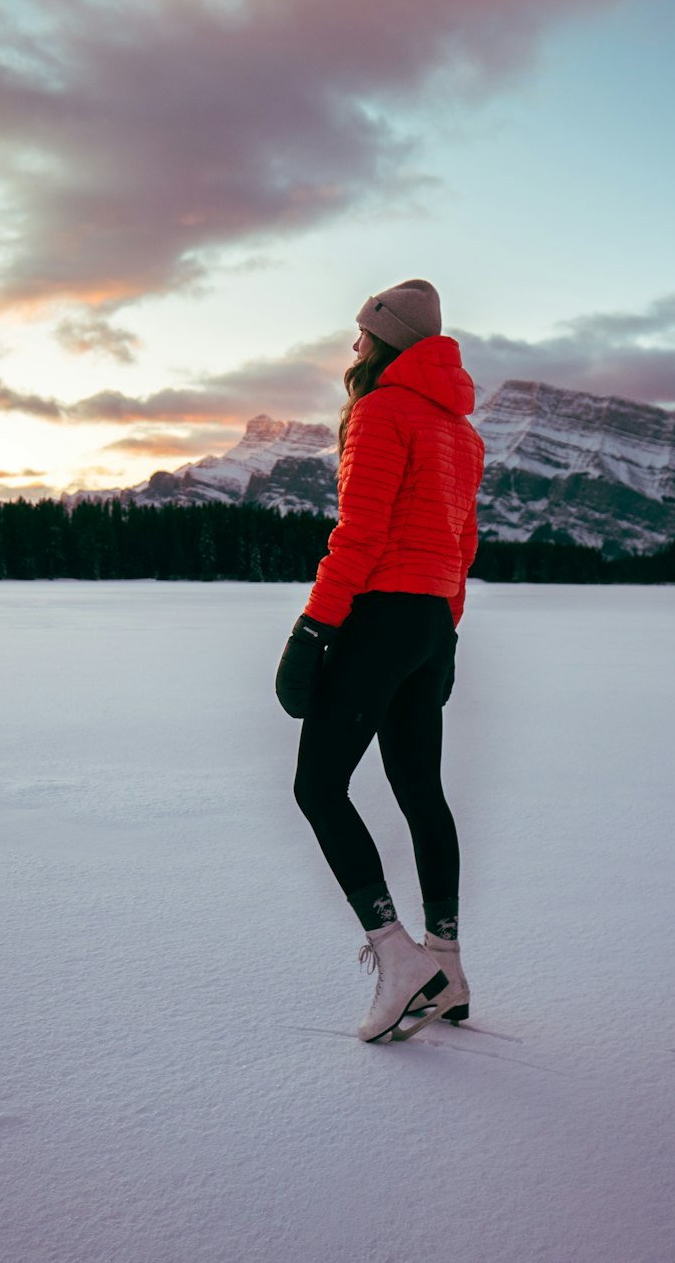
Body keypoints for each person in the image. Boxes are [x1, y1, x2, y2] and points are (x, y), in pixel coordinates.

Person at [275, 279, 484, 1043]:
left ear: (388, 340)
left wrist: (313, 631)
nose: (354, 347)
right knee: (420, 791)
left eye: (363, 335)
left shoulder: (381, 410)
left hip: (381, 615)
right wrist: (446, 635)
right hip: (429, 621)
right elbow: (462, 550)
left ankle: (398, 958)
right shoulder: (462, 432)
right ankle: (447, 963)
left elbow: (358, 535)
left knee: (318, 785)